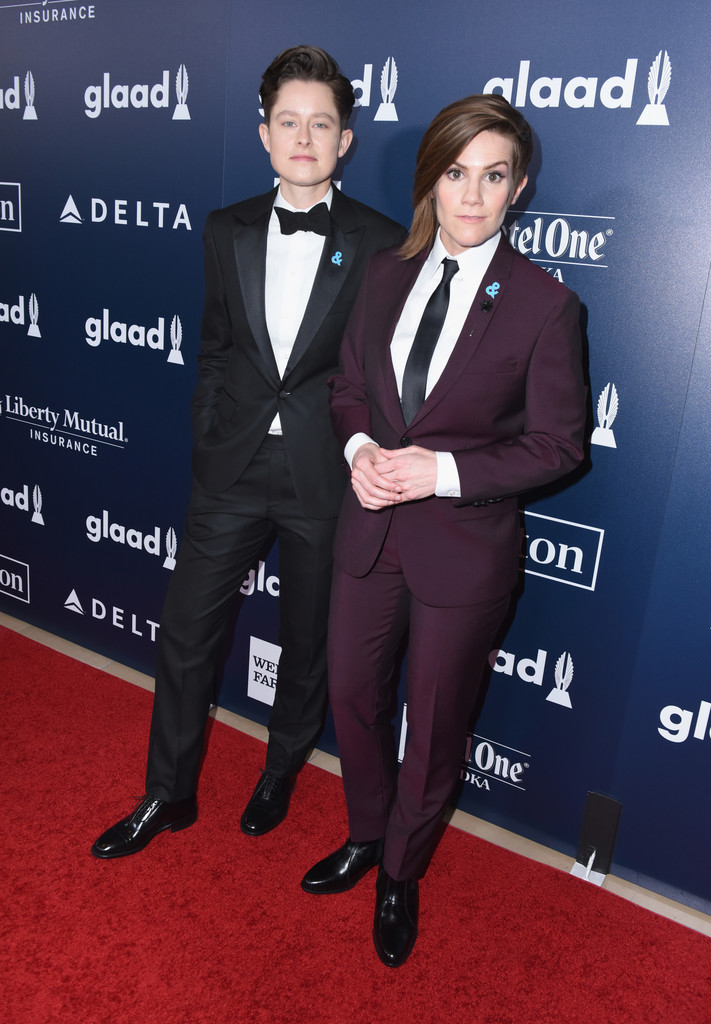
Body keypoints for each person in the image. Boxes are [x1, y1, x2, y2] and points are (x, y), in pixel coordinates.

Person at [91, 46, 406, 859]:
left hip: (323, 476)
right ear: (264, 134)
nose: (303, 138)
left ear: (344, 141)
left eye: (320, 124)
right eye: (287, 122)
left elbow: (379, 376)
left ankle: (279, 771)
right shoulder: (222, 227)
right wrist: (208, 435)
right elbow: (215, 348)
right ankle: (167, 794)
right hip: (228, 469)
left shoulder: (382, 242)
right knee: (184, 634)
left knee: (306, 641)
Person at [301, 94, 587, 967]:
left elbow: (559, 445)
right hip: (370, 530)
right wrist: (358, 450)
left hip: (463, 551)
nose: (471, 196)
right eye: (456, 173)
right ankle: (365, 833)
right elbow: (348, 389)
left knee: (432, 725)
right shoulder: (384, 274)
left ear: (518, 188)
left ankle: (400, 872)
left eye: (492, 177)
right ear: (432, 179)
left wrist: (443, 472)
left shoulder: (545, 306)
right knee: (352, 694)